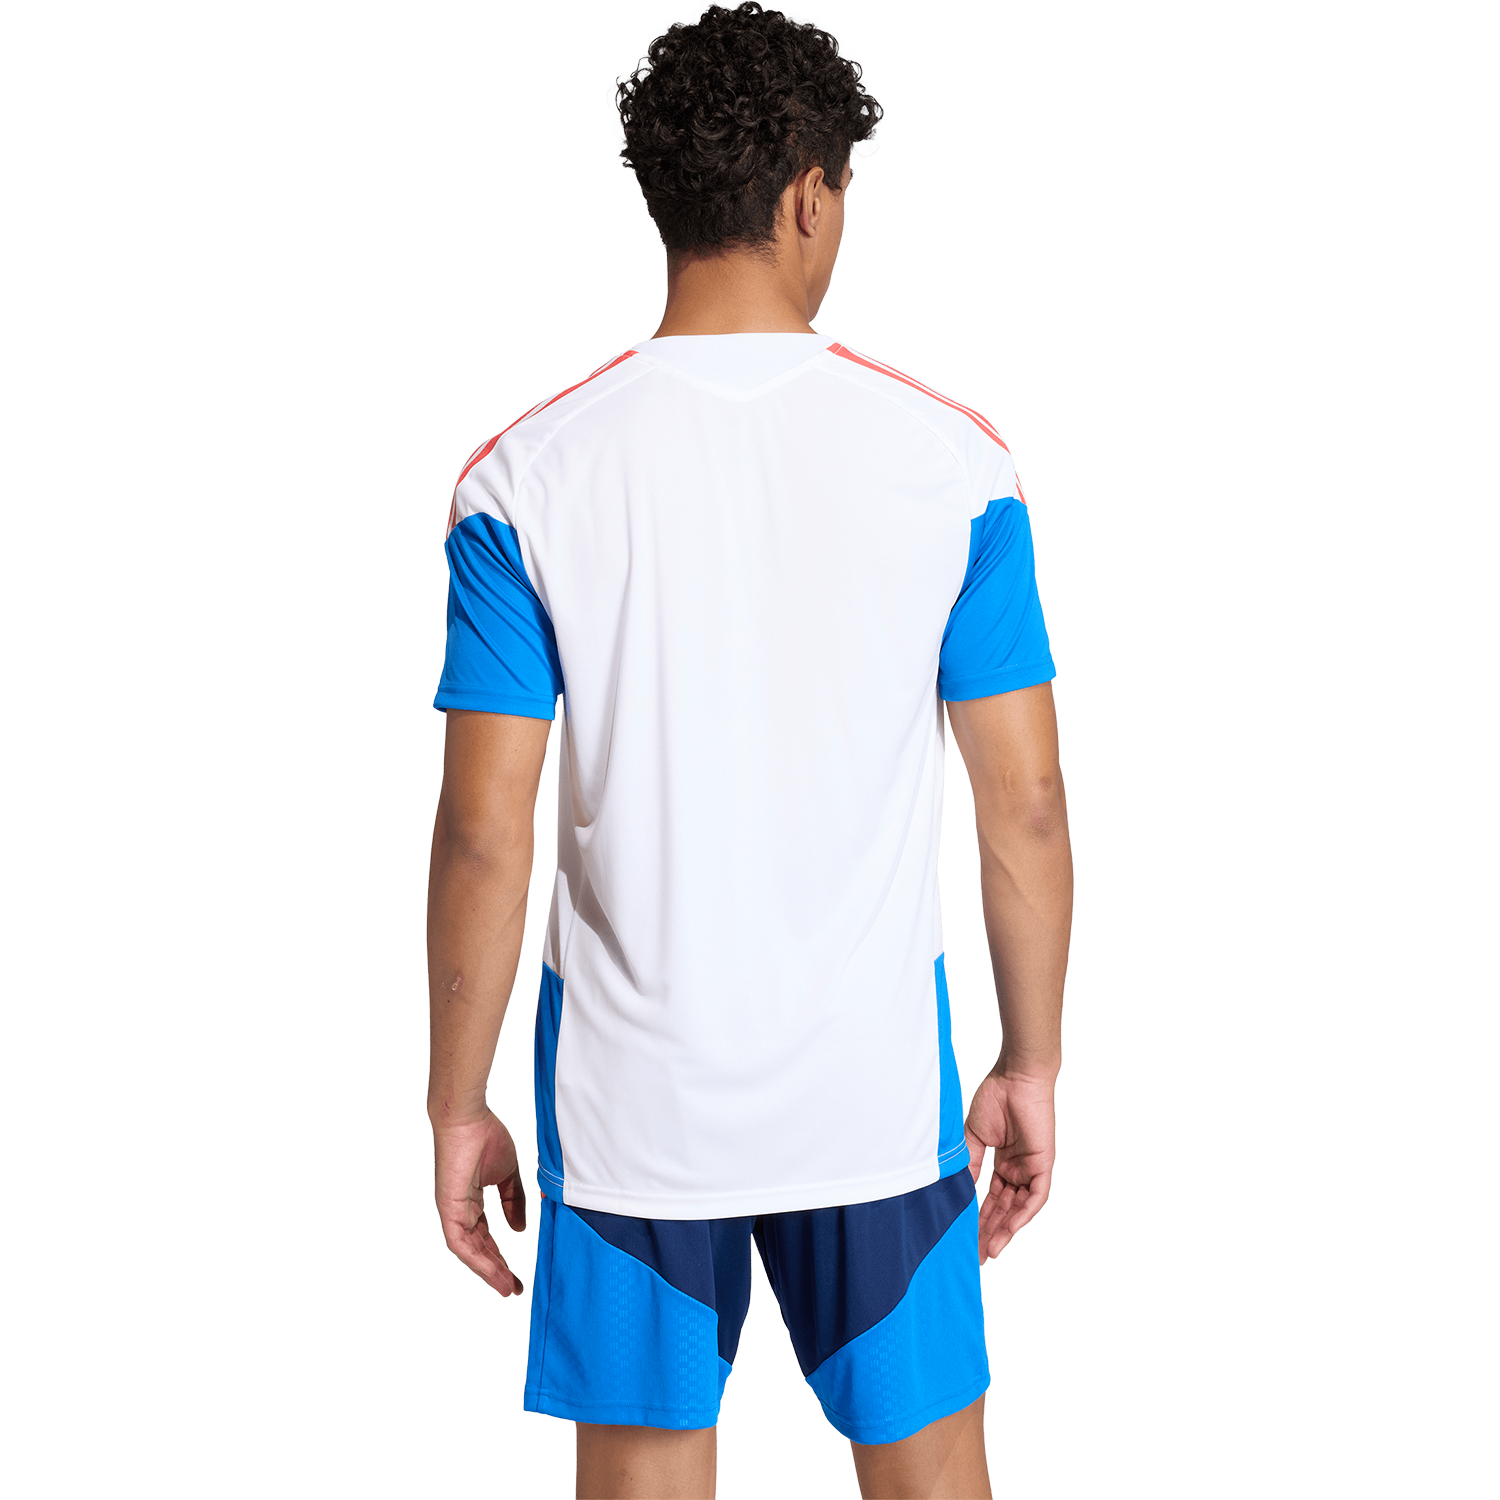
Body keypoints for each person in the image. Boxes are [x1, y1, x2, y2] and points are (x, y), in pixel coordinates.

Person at [426, 4, 1073, 1495]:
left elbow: (484, 831)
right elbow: (1026, 805)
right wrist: (1032, 1063)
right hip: (873, 1100)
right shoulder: (956, 466)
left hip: (632, 1113)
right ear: (808, 195)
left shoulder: (524, 479)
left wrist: (457, 1105)